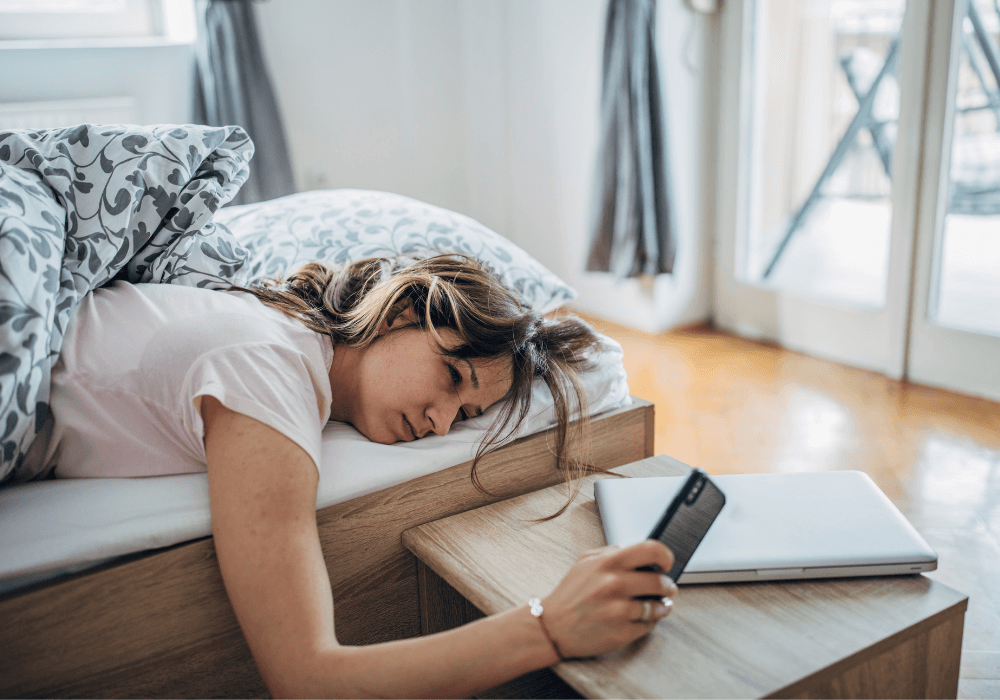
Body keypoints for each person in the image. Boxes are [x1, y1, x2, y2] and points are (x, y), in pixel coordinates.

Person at [31, 254, 678, 698]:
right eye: (452, 378)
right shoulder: (266, 368)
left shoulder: (282, 341)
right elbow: (309, 680)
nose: (442, 422)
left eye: (469, 413)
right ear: (400, 313)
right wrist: (549, 626)